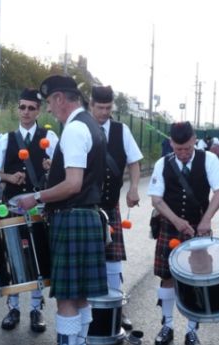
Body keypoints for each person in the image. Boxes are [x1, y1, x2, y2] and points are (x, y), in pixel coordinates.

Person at [18, 75, 108, 345]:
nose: (49, 110)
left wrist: (36, 196)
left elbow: (72, 184)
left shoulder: (73, 130)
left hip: (71, 217)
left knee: (67, 297)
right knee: (81, 297)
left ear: (60, 98)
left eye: (49, 103)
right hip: (88, 216)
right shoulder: (93, 126)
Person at [147, 121, 219, 345]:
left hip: (198, 229)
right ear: (171, 142)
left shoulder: (209, 160)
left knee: (197, 280)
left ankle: (192, 331)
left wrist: (206, 220)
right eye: (178, 149)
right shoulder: (163, 163)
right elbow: (156, 199)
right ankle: (167, 326)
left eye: (187, 149)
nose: (182, 154)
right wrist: (176, 221)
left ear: (194, 140)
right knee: (167, 277)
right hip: (171, 228)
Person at [0, 88, 59, 334]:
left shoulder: (49, 137)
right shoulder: (5, 139)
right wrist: (9, 176)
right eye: (22, 107)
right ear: (18, 109)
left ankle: (36, 309)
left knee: (37, 255)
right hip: (12, 204)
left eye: (31, 108)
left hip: (39, 204)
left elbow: (62, 173)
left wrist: (51, 167)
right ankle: (13, 307)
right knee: (14, 256)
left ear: (38, 111)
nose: (26, 112)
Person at [88, 85, 143, 331]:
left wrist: (133, 189)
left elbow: (134, 161)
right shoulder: (81, 128)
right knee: (88, 259)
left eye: (108, 108)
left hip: (110, 204)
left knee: (113, 258)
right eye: (100, 108)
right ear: (91, 105)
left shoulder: (122, 130)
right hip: (86, 205)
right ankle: (86, 311)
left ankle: (117, 311)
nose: (103, 112)